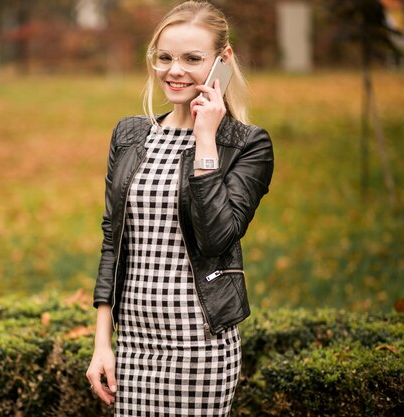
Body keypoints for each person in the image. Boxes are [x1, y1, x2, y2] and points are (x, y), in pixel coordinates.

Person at [86, 1, 274, 416]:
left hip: (199, 346)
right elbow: (112, 242)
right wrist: (103, 342)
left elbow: (215, 238)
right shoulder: (129, 135)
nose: (175, 70)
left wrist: (205, 141)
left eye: (192, 58)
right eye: (165, 57)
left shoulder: (248, 146)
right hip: (133, 345)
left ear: (222, 61)